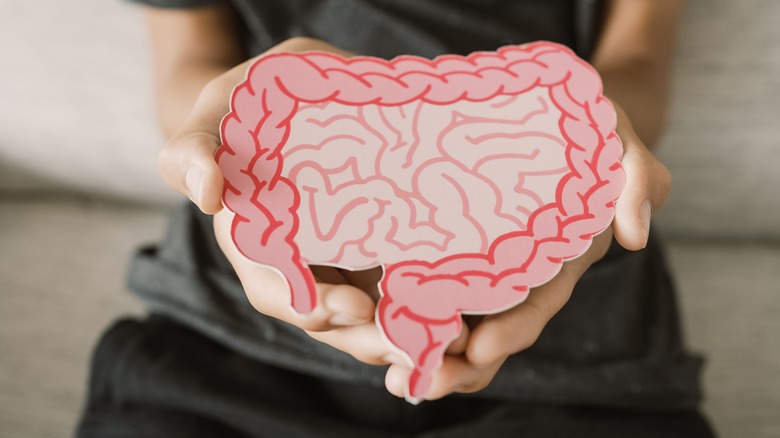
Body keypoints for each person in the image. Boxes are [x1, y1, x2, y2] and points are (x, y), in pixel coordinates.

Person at [77, 0, 714, 436]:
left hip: (580, 368)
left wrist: (598, 136)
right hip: (228, 342)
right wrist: (224, 125)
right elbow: (191, 61)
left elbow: (638, 60)